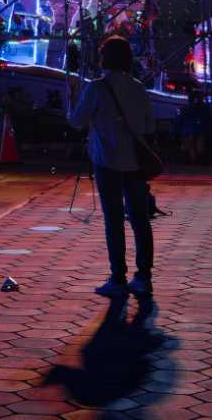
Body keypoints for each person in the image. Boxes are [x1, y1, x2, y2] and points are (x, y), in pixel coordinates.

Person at [68, 37, 156, 300]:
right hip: (135, 162)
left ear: (105, 58)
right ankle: (143, 277)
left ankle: (118, 277)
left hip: (107, 161)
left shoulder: (95, 89)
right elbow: (150, 126)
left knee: (114, 220)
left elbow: (76, 121)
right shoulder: (138, 88)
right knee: (140, 220)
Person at [174, 86, 212, 165]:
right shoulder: (204, 108)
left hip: (191, 130)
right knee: (196, 144)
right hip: (197, 130)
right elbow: (209, 120)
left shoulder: (188, 108)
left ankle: (193, 160)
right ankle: (196, 160)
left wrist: (175, 130)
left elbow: (179, 120)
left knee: (192, 144)